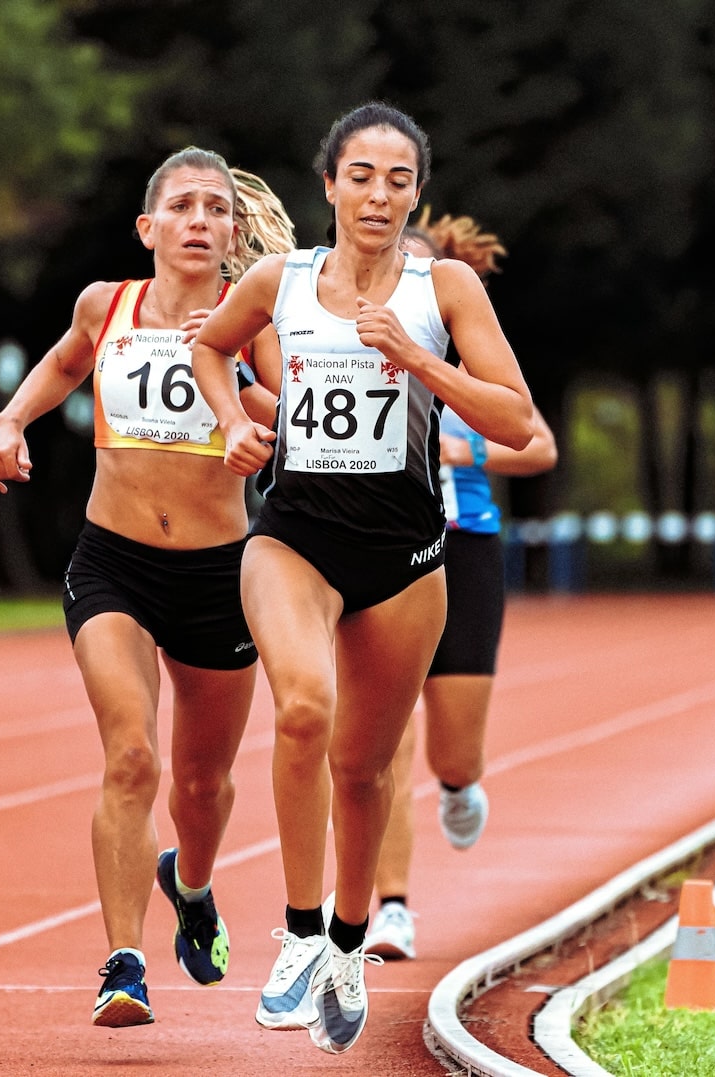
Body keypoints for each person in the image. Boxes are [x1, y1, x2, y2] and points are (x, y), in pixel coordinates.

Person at [191, 102, 536, 1054]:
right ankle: (301, 934)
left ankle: (349, 937)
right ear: (330, 183)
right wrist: (232, 424)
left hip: (404, 556)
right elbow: (210, 347)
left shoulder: (445, 286)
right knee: (303, 708)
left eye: (397, 178)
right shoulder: (281, 279)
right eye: (361, 175)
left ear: (416, 190)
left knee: (364, 765)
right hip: (293, 536)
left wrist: (418, 359)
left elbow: (514, 421)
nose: (378, 194)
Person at [0, 147, 294, 1028]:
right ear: (149, 228)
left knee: (202, 782)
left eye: (217, 208)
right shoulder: (105, 304)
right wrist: (9, 422)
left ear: (234, 233)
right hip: (112, 560)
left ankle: (190, 883)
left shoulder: (253, 320)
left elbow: (293, 411)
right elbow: (65, 365)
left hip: (219, 575)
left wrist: (244, 402)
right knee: (131, 757)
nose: (201, 219)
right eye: (183, 205)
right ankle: (123, 962)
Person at [364, 215, 559, 962]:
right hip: (380, 549)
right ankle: (391, 907)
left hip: (466, 547)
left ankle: (458, 784)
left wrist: (464, 442)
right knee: (382, 741)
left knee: (452, 755)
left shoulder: (468, 356)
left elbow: (538, 444)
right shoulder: (353, 344)